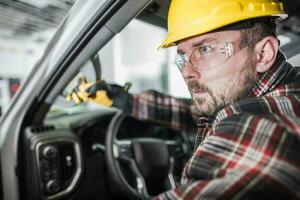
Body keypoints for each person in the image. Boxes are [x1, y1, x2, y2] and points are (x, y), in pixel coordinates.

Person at [68, 0, 300, 199]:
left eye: (205, 49)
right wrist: (123, 100)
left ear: (263, 54)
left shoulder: (261, 127)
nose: (187, 71)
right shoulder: (284, 91)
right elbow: (192, 112)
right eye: (182, 57)